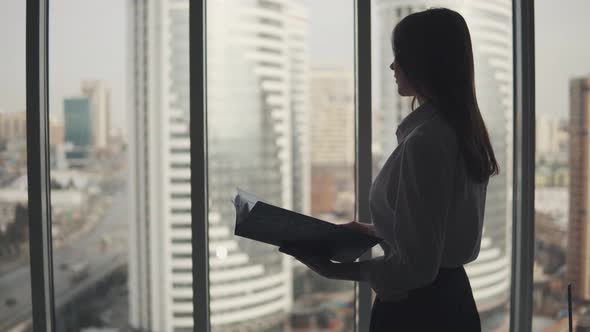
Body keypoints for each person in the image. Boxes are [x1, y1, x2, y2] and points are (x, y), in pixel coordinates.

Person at [279, 7, 498, 331]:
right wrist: (378, 231)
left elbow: (417, 267)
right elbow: (439, 229)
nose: (393, 66)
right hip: (451, 302)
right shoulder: (459, 131)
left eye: (400, 56)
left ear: (425, 63)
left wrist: (332, 270)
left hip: (418, 312)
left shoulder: (426, 142)